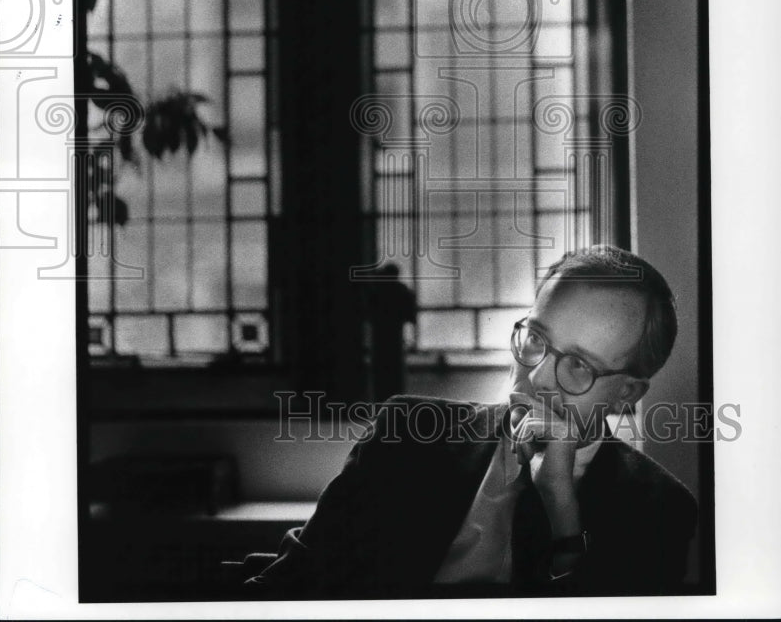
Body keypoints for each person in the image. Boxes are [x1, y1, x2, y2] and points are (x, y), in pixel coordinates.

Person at [249, 245, 698, 599]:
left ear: (627, 393)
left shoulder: (658, 508)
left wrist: (563, 510)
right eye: (536, 339)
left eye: (579, 365)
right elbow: (288, 586)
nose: (537, 374)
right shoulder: (404, 433)